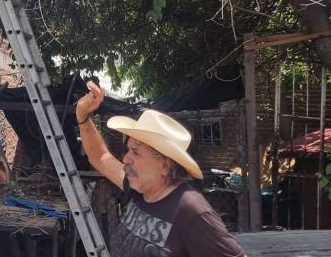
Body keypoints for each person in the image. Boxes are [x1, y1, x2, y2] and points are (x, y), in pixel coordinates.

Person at [76, 80, 246, 257]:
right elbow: (101, 157)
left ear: (165, 165)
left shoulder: (191, 209)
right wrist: (83, 117)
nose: (126, 158)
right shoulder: (139, 188)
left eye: (136, 152)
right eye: (128, 150)